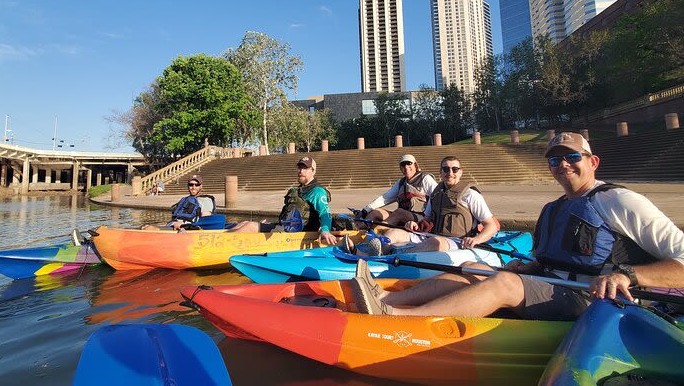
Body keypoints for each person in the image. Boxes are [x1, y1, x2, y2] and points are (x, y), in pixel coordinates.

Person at [352, 132, 684, 319]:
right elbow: (550, 260)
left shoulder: (620, 201)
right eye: (555, 159)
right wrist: (528, 264)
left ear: (592, 162)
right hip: (554, 286)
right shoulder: (554, 208)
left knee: (507, 284)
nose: (562, 164)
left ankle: (399, 320)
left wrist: (627, 274)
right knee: (472, 267)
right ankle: (386, 299)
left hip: (599, 302)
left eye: (572, 157)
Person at [344, 155, 499, 256]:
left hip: (458, 240)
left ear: (460, 172)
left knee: (435, 243)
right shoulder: (437, 193)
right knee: (394, 234)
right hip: (432, 234)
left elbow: (490, 225)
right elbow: (427, 218)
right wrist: (416, 225)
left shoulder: (470, 195)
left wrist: (477, 239)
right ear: (440, 172)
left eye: (454, 169)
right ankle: (371, 252)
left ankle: (394, 256)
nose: (450, 172)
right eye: (445, 169)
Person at [225, 156, 338, 245]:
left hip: (297, 234)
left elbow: (325, 213)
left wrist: (325, 230)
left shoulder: (317, 192)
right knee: (244, 223)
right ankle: (216, 237)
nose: (300, 171)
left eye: (305, 168)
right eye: (299, 167)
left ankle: (219, 243)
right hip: (286, 228)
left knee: (249, 226)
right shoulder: (299, 190)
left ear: (313, 171)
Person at [142, 175, 211, 231]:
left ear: (201, 186)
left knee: (149, 229)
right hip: (174, 224)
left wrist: (183, 224)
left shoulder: (205, 200)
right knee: (145, 227)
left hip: (187, 227)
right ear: (188, 186)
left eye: (197, 185)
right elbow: (176, 218)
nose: (193, 187)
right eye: (191, 184)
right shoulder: (185, 199)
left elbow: (206, 219)